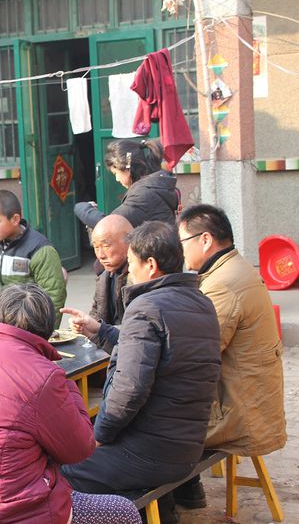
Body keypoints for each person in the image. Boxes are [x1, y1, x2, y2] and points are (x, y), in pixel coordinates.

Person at [0, 283, 141, 524]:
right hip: (11, 515)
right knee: (123, 512)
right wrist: (64, 382)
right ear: (47, 329)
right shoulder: (43, 376)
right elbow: (80, 449)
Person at [61, 221, 221, 524]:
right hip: (185, 444)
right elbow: (155, 356)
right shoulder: (201, 303)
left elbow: (129, 389)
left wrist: (99, 436)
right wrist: (101, 331)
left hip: (150, 451)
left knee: (61, 468)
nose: (128, 273)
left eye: (131, 264)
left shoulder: (145, 307)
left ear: (150, 265)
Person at [173, 205, 287, 509]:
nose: (180, 250)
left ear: (206, 240)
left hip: (242, 411)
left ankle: (167, 505)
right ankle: (186, 492)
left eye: (182, 242)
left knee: (157, 424)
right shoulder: (234, 268)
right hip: (251, 398)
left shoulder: (223, 285)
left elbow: (196, 356)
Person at [0, 190, 66, 325]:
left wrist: (48, 331)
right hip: (0, 320)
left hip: (31, 322)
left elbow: (54, 294)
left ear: (15, 219)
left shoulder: (39, 249)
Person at [61, 215, 133, 354]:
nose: (100, 255)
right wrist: (83, 325)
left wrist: (99, 329)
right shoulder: (104, 276)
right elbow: (95, 314)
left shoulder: (140, 278)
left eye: (106, 245)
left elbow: (136, 331)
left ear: (129, 241)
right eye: (96, 247)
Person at [74, 139, 178, 229]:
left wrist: (83, 207)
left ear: (127, 169)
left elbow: (111, 224)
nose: (117, 179)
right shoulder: (153, 187)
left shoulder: (143, 195)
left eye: (116, 173)